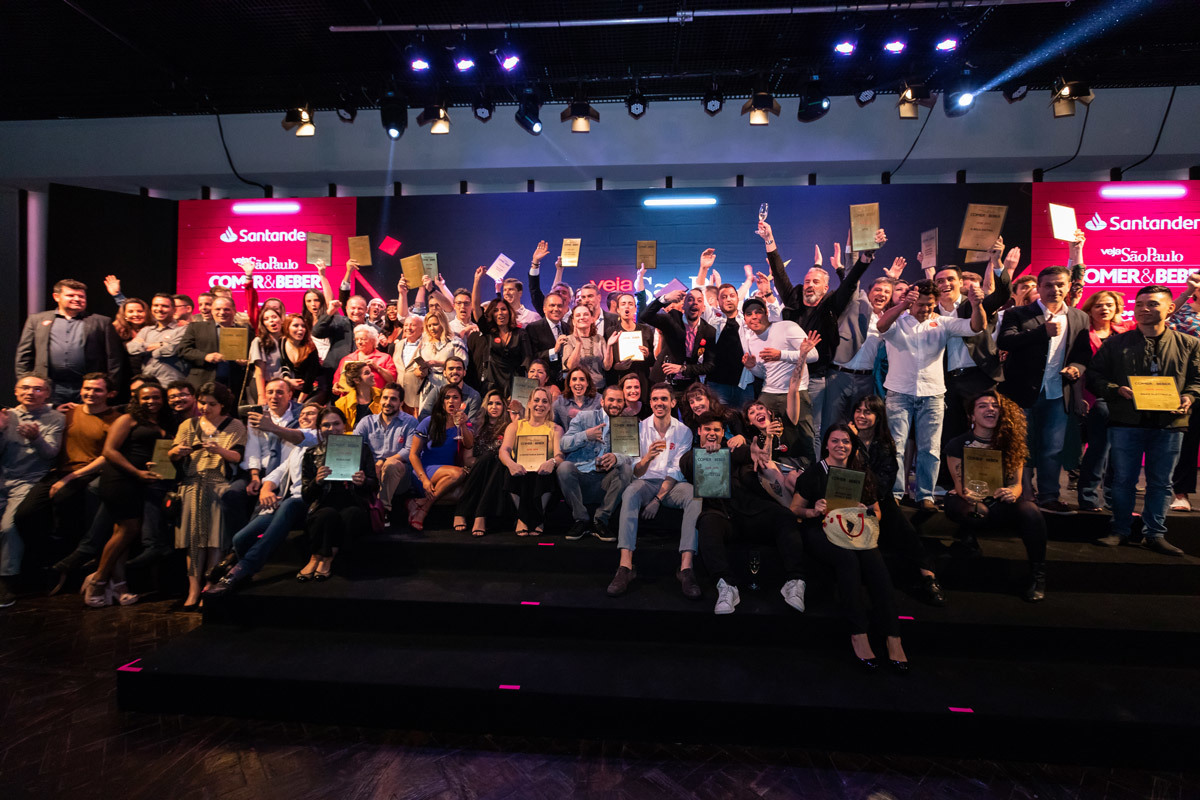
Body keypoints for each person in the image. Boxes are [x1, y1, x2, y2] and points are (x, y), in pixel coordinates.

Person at [1088, 285, 1200, 556]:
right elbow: (1094, 377)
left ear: (1170, 308)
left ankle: (1155, 534)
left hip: (1171, 425)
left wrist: (1189, 396)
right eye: (1139, 304)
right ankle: (1120, 530)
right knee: (1124, 479)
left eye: (1152, 304)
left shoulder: (1189, 344)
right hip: (1127, 422)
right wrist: (1116, 390)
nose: (1144, 309)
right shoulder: (1116, 344)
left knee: (1161, 482)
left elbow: (1197, 379)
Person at [788, 425, 909, 671]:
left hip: (856, 530)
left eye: (845, 441)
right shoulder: (814, 473)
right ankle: (858, 632)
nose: (840, 446)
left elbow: (877, 513)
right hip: (821, 529)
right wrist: (814, 510)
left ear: (852, 446)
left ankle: (893, 636)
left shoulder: (862, 473)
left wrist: (862, 509)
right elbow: (794, 509)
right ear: (826, 445)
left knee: (876, 565)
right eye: (835, 441)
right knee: (847, 561)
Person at [761, 223, 883, 453]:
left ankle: (814, 474)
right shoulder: (793, 301)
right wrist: (769, 238)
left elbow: (850, 281)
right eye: (807, 281)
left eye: (815, 282)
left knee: (814, 429)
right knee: (783, 428)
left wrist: (866, 257)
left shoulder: (831, 305)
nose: (809, 285)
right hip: (785, 376)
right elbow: (779, 272)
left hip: (815, 380)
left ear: (825, 287)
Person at [876, 280, 985, 510]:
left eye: (930, 305)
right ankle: (895, 493)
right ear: (912, 301)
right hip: (899, 392)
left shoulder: (942, 323)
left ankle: (925, 495)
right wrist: (902, 306)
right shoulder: (899, 321)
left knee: (931, 449)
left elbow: (976, 327)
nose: (926, 309)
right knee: (896, 447)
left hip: (933, 394)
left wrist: (976, 305)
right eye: (921, 304)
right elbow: (882, 325)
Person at [687, 412, 806, 615]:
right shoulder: (690, 456)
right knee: (706, 522)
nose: (712, 433)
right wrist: (709, 455)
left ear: (723, 432)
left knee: (784, 515)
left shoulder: (733, 450)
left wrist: (753, 452)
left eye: (716, 429)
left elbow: (744, 453)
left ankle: (795, 582)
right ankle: (726, 586)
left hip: (751, 513)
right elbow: (688, 466)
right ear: (699, 432)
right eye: (707, 429)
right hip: (722, 517)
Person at [996, 265, 1091, 514]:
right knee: (1022, 446)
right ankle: (1025, 492)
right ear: (1038, 287)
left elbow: (1082, 355)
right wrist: (1041, 332)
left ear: (1069, 287)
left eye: (1060, 284)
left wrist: (1076, 369)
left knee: (1053, 448)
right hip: (1022, 391)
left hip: (1058, 393)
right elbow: (1005, 341)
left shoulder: (1079, 317)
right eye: (1048, 285)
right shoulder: (1018, 313)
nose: (1054, 289)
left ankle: (1049, 495)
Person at [203, 402, 323, 596]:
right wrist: (265, 490)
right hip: (290, 503)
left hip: (311, 501)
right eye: (302, 414)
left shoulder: (320, 438)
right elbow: (278, 472)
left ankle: (239, 570)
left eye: (311, 414)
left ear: (321, 420)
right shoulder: (296, 449)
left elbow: (301, 436)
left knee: (290, 504)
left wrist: (273, 427)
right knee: (240, 538)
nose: (304, 417)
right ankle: (239, 565)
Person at [944, 391, 1050, 600]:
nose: (990, 409)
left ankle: (1038, 575)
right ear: (972, 416)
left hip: (999, 502)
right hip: (967, 501)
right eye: (982, 406)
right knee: (977, 511)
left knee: (1031, 510)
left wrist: (1011, 493)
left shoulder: (1012, 444)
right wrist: (969, 495)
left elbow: (1017, 485)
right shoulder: (958, 444)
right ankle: (967, 538)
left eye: (995, 406)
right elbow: (959, 485)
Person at [13, 373, 119, 574]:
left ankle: (67, 560)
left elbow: (107, 455)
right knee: (25, 515)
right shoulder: (69, 412)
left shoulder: (115, 419)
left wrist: (72, 477)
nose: (91, 393)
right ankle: (41, 560)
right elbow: (40, 410)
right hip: (59, 471)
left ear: (109, 393)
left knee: (64, 499)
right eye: (87, 388)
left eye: (97, 390)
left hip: (89, 472)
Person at [610, 383, 702, 599]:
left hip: (671, 485)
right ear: (650, 403)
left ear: (672, 402)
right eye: (654, 399)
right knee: (630, 493)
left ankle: (686, 568)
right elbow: (637, 470)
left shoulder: (684, 432)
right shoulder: (640, 428)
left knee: (694, 495)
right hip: (646, 481)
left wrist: (658, 500)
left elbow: (676, 470)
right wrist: (648, 457)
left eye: (663, 398)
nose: (659, 403)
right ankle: (625, 567)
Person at [82, 382, 169, 607]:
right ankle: (98, 579)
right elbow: (109, 451)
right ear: (137, 400)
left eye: (156, 397)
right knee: (128, 529)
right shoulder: (127, 419)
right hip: (121, 479)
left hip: (142, 482)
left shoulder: (161, 420)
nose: (152, 402)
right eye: (146, 398)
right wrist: (137, 472)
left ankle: (119, 585)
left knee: (122, 533)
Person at [851, 395, 944, 605]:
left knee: (902, 525)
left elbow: (882, 484)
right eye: (858, 411)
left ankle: (928, 576)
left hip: (875, 499)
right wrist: (851, 441)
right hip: (846, 498)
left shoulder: (884, 445)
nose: (862, 416)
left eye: (868, 412)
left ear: (878, 417)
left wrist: (858, 457)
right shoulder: (844, 437)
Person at [169, 381, 246, 609]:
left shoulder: (234, 426)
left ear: (222, 405)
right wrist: (176, 452)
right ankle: (192, 592)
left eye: (211, 404)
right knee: (194, 542)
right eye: (202, 402)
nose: (205, 408)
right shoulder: (188, 424)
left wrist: (219, 450)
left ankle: (209, 588)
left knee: (214, 541)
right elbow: (171, 454)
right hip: (192, 485)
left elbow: (237, 457)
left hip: (217, 485)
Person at [934, 239, 1017, 445]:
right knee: (950, 435)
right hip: (946, 383)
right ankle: (949, 477)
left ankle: (986, 477)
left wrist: (997, 262)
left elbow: (1002, 294)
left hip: (980, 378)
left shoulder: (974, 304)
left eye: (950, 279)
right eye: (940, 281)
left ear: (960, 282)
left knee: (985, 436)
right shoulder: (930, 313)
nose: (945, 284)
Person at [0, 375, 65, 607]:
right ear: (16, 391)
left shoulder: (55, 417)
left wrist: (36, 438)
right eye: (25, 388)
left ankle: (7, 581)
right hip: (2, 478)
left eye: (38, 389)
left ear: (47, 394)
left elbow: (50, 454)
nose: (31, 392)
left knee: (9, 526)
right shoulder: (6, 414)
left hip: (28, 480)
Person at [293, 406, 377, 581]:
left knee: (351, 515)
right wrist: (317, 481)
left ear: (345, 425)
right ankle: (315, 557)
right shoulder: (311, 454)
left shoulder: (362, 449)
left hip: (354, 501)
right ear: (319, 429)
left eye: (336, 423)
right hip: (323, 503)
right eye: (326, 425)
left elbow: (374, 485)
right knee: (326, 515)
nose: (332, 429)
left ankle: (327, 558)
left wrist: (363, 482)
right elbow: (306, 496)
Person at [16, 279, 125, 406]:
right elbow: (24, 355)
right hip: (49, 387)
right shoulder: (36, 320)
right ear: (56, 297)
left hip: (88, 387)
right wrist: (25, 383)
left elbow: (114, 358)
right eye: (71, 295)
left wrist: (112, 385)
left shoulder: (102, 322)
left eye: (81, 296)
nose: (77, 299)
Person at [741, 296, 820, 468]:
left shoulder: (787, 327)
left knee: (803, 434)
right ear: (745, 319)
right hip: (768, 392)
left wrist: (781, 354)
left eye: (758, 311)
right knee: (763, 435)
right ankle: (770, 472)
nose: (754, 316)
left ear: (767, 312)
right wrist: (753, 367)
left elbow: (813, 355)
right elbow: (765, 373)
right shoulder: (751, 339)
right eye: (749, 314)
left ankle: (810, 472)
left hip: (795, 390)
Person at [1076, 289, 1132, 511]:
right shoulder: (1082, 333)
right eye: (1099, 305)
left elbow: (1163, 313)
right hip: (1094, 397)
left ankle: (1112, 498)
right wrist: (1079, 397)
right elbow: (1079, 368)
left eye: (1109, 305)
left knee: (1120, 453)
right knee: (1098, 450)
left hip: (1125, 399)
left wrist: (1186, 294)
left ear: (1117, 308)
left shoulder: (1127, 331)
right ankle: (1088, 497)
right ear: (1090, 309)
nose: (1104, 309)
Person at [557, 384, 635, 542]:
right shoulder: (585, 417)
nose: (615, 404)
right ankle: (581, 519)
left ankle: (600, 520)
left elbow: (631, 456)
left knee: (626, 468)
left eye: (619, 401)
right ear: (602, 401)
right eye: (611, 400)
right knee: (564, 467)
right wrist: (586, 435)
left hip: (606, 481)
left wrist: (616, 457)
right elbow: (563, 444)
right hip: (581, 478)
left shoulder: (627, 424)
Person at [498, 387, 562, 536]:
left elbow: (560, 456)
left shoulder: (556, 429)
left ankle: (539, 518)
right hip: (521, 469)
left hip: (543, 471)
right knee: (510, 471)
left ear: (549, 406)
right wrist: (511, 463)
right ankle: (523, 518)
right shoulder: (515, 426)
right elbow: (504, 450)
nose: (540, 404)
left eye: (545, 401)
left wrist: (551, 462)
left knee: (547, 473)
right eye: (537, 400)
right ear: (529, 404)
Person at [453, 390, 517, 536]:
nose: (494, 407)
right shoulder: (475, 426)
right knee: (487, 458)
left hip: (500, 470)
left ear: (504, 407)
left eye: (498, 404)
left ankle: (470, 513)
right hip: (478, 469)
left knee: (496, 462)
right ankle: (477, 516)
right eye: (490, 403)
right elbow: (467, 458)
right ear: (485, 406)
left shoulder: (510, 427)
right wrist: (483, 464)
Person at [408, 385, 473, 530]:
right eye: (447, 397)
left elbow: (469, 445)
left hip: (447, 478)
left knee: (459, 495)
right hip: (425, 471)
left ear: (461, 401)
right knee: (459, 472)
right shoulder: (429, 421)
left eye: (455, 397)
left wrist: (463, 426)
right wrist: (424, 479)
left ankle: (420, 502)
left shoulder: (464, 423)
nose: (451, 401)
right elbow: (413, 455)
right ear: (441, 401)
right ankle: (423, 511)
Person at [639, 287, 716, 397]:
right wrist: (665, 298)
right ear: (683, 306)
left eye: (699, 300)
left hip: (689, 385)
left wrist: (683, 368)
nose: (694, 303)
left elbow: (710, 365)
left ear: (703, 308)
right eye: (690, 299)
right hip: (663, 381)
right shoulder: (671, 320)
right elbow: (644, 316)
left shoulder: (709, 331)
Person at [355, 383, 418, 517]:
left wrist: (383, 461)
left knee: (391, 465)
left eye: (393, 399)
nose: (387, 402)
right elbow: (354, 445)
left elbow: (409, 450)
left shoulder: (410, 422)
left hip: (400, 475)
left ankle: (382, 510)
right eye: (385, 398)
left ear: (401, 402)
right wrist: (372, 466)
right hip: (372, 473)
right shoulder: (367, 422)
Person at [1168, 271, 1200, 511]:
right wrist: (1187, 292)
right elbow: (1163, 315)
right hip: (1190, 384)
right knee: (1187, 440)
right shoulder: (1183, 313)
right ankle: (1181, 494)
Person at [178, 296, 252, 399]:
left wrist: (245, 362)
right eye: (218, 309)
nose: (222, 312)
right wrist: (205, 356)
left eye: (226, 309)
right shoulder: (196, 327)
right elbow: (183, 350)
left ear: (234, 311)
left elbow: (251, 356)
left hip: (233, 385)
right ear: (212, 311)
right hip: (202, 382)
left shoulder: (246, 331)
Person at [469, 268, 525, 395]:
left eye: (503, 309)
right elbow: (476, 307)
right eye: (495, 310)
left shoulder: (520, 334)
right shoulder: (489, 332)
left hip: (514, 385)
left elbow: (526, 362)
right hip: (492, 385)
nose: (500, 313)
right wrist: (477, 280)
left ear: (510, 312)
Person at [127, 293, 187, 385]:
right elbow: (131, 348)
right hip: (147, 382)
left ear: (174, 310)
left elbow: (171, 350)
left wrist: (144, 347)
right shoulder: (146, 330)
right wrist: (162, 344)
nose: (159, 309)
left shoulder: (183, 329)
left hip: (172, 383)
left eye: (165, 306)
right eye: (156, 305)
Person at [415, 309, 468, 413]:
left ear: (443, 323)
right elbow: (415, 369)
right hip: (428, 384)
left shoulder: (455, 342)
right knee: (427, 414)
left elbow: (463, 363)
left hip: (449, 384)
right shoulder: (424, 344)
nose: (432, 328)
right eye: (429, 325)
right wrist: (421, 371)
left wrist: (437, 363)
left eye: (435, 324)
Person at [606, 292, 655, 390]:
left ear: (635, 309)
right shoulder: (611, 332)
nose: (627, 307)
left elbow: (654, 359)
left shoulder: (646, 330)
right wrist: (616, 367)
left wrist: (647, 354)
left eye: (630, 304)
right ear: (618, 310)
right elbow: (606, 363)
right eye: (623, 304)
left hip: (642, 379)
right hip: (619, 379)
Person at [522, 290, 572, 383]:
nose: (556, 309)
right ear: (544, 309)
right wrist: (554, 351)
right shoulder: (533, 328)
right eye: (552, 305)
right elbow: (531, 357)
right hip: (544, 382)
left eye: (559, 306)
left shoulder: (568, 328)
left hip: (565, 381)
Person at [333, 324, 398, 394]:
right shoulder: (347, 359)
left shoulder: (384, 358)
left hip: (375, 401)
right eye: (356, 339)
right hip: (351, 402)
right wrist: (336, 388)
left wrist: (377, 367)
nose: (359, 342)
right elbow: (337, 382)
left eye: (363, 339)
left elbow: (392, 380)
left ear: (373, 341)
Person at [563, 302, 613, 389]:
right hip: (577, 389)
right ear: (573, 321)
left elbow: (607, 367)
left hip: (599, 388)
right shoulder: (569, 340)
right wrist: (578, 343)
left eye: (586, 314)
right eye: (578, 315)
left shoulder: (599, 338)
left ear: (592, 319)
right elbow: (570, 367)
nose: (582, 317)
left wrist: (609, 346)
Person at [417, 356, 481, 421]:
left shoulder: (474, 395)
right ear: (444, 373)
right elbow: (423, 417)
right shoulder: (436, 391)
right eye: (451, 368)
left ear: (464, 372)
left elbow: (472, 425)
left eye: (459, 369)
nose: (455, 371)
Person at [278, 313, 324, 403]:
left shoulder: (310, 348)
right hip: (292, 389)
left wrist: (299, 403)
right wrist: (287, 380)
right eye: (296, 325)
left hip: (312, 389)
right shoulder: (281, 342)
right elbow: (283, 364)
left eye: (303, 326)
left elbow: (310, 378)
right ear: (287, 328)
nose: (301, 329)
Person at [248, 307, 285, 403]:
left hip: (283, 385)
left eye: (274, 317)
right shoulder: (259, 341)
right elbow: (259, 371)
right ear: (263, 324)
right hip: (265, 385)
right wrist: (262, 396)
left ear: (281, 319)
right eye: (266, 319)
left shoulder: (288, 340)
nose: (271, 320)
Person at [390, 315, 427, 412]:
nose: (408, 328)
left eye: (413, 325)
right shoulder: (398, 344)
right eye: (406, 325)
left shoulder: (427, 345)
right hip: (399, 396)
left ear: (422, 329)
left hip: (418, 396)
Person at [553, 367, 602, 431]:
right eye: (574, 379)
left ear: (587, 383)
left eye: (582, 379)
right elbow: (552, 424)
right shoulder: (560, 402)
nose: (578, 383)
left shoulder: (599, 400)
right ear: (569, 383)